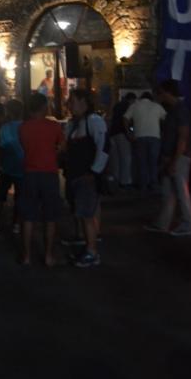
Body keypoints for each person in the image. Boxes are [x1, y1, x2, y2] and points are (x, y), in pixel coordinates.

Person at [17, 93, 65, 266]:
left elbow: (24, 146)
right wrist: (51, 152)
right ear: (44, 107)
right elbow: (62, 147)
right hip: (49, 173)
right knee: (50, 216)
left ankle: (27, 256)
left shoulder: (23, 128)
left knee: (28, 216)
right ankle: (48, 255)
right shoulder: (54, 126)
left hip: (29, 173)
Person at [62, 90, 108, 267]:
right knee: (80, 211)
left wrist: (94, 172)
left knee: (87, 214)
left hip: (86, 176)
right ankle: (85, 242)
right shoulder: (73, 123)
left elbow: (104, 148)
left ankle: (92, 252)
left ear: (84, 102)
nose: (68, 104)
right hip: (74, 174)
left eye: (72, 100)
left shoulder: (94, 121)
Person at [145, 80, 191, 236]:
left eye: (160, 92)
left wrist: (174, 159)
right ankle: (163, 223)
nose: (158, 96)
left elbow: (183, 137)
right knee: (169, 192)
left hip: (178, 157)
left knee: (180, 192)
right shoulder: (173, 109)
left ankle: (187, 224)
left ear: (167, 92)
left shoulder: (180, 110)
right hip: (171, 156)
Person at [0, 99, 24, 236]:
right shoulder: (24, 126)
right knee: (20, 197)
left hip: (7, 166)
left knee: (0, 196)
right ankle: (16, 224)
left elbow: (0, 148)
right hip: (22, 166)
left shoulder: (4, 128)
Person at [124, 91, 166, 194]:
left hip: (139, 137)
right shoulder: (157, 106)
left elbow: (125, 118)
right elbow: (165, 118)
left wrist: (129, 132)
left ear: (141, 98)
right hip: (155, 136)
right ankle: (154, 185)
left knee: (142, 162)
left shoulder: (135, 105)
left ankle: (143, 186)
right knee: (153, 162)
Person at [108, 93, 136, 191]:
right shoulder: (128, 106)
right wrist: (129, 133)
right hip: (121, 133)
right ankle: (125, 181)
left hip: (112, 133)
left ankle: (116, 179)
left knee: (115, 159)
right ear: (131, 99)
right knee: (125, 157)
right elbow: (127, 120)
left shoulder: (117, 105)